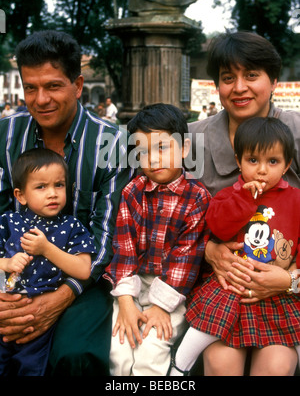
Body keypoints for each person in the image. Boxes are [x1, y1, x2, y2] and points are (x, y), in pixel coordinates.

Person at [0, 30, 132, 376]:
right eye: (31, 87)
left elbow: (105, 243)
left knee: (75, 356)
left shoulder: (112, 144)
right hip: (12, 272)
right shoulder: (6, 135)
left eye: (53, 86)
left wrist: (60, 297)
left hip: (84, 280)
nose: (40, 99)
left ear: (78, 85)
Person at [186, 30, 300, 375]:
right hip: (220, 287)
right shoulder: (190, 140)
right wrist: (208, 250)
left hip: (285, 288)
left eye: (251, 75)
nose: (239, 88)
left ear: (274, 80)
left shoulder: (296, 131)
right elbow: (162, 216)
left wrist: (291, 280)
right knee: (220, 365)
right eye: (227, 78)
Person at [170, 117, 300, 376]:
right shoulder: (229, 195)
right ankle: (179, 366)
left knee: (278, 365)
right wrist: (244, 198)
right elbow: (219, 227)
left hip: (278, 294)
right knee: (210, 336)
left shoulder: (296, 200)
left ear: (286, 165)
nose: (262, 170)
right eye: (253, 160)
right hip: (230, 288)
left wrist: (291, 277)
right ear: (239, 160)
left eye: (272, 161)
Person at [103, 103, 211, 376]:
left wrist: (161, 307)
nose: (153, 159)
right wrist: (126, 301)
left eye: (162, 148)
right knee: (118, 347)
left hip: (175, 290)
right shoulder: (132, 191)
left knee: (151, 350)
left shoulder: (197, 197)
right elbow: (123, 250)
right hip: (135, 282)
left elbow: (187, 259)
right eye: (143, 152)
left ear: (184, 148)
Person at [0, 148, 97, 376]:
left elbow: (83, 270)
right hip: (5, 307)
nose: (52, 193)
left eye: (59, 185)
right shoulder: (9, 221)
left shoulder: (72, 227)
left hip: (40, 321)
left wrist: (47, 249)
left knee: (31, 368)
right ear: (20, 195)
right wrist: (5, 263)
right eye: (41, 187)